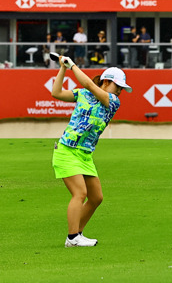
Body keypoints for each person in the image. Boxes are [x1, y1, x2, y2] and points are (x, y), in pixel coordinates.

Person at [49, 54, 130, 248]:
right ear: (107, 81)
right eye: (118, 86)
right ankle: (72, 238)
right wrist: (63, 68)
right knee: (80, 193)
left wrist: (73, 66)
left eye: (121, 88)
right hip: (67, 150)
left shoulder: (112, 101)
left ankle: (77, 234)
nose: (119, 91)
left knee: (96, 198)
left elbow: (89, 85)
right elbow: (56, 93)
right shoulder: (83, 94)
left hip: (85, 154)